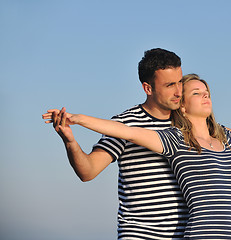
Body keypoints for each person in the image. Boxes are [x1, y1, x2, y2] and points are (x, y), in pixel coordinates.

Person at [43, 74, 231, 239]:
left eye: (206, 91)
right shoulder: (173, 140)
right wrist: (78, 119)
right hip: (195, 234)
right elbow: (126, 132)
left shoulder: (225, 137)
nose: (205, 95)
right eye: (196, 93)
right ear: (182, 106)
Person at [44, 48, 190, 239]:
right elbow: (88, 171)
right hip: (139, 234)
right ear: (148, 88)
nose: (179, 91)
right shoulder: (124, 123)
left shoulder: (188, 123)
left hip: (185, 234)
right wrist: (70, 141)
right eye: (170, 85)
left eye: (180, 82)